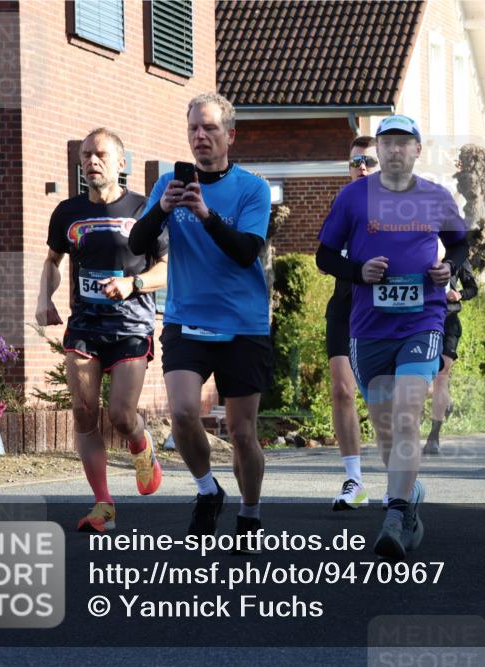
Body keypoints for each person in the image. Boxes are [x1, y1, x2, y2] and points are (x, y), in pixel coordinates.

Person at [316, 114, 468, 562]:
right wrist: (357, 272)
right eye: (388, 143)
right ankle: (410, 492)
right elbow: (324, 255)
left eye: (405, 143)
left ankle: (395, 518)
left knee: (406, 415)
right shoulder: (353, 197)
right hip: (369, 329)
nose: (396, 150)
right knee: (388, 438)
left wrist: (449, 267)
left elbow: (459, 243)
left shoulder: (436, 197)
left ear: (417, 150)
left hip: (422, 321)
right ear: (378, 151)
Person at [129, 92, 272, 544]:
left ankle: (249, 513)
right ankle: (208, 490)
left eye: (209, 128)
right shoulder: (168, 185)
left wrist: (206, 216)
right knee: (184, 413)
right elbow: (136, 244)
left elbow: (247, 250)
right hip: (186, 317)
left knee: (242, 431)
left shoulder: (253, 188)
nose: (200, 136)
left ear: (229, 135)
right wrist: (163, 209)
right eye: (193, 128)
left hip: (243, 323)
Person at [36, 128, 167, 533]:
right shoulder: (67, 212)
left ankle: (141, 445)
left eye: (101, 155)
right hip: (85, 325)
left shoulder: (144, 209)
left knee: (122, 415)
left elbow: (169, 267)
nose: (92, 161)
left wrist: (133, 283)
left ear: (121, 164)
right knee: (83, 412)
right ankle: (103, 504)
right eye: (86, 155)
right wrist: (44, 299)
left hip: (131, 325)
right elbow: (53, 261)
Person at [328, 136, 379, 510]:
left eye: (369, 161)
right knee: (342, 390)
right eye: (355, 161)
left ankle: (401, 482)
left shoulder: (400, 208)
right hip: (345, 307)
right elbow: (325, 256)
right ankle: (354, 480)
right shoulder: (341, 207)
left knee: (383, 400)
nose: (361, 167)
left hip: (383, 312)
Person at [424, 249, 478, 455]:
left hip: (449, 322)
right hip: (423, 321)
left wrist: (459, 294)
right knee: (426, 383)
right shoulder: (419, 250)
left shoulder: (457, 257)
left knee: (441, 374)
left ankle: (434, 435)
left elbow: (473, 288)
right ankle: (446, 400)